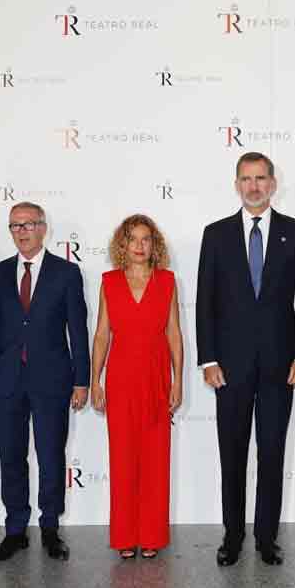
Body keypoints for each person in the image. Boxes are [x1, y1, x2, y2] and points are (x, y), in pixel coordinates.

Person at [196, 151, 295, 566]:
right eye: (246, 179)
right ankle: (232, 536)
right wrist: (208, 359)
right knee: (232, 452)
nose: (254, 186)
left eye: (261, 178)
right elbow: (204, 303)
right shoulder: (215, 234)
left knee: (272, 451)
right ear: (236, 184)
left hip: (280, 366)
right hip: (228, 368)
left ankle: (266, 537)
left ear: (273, 183)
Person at [0, 201, 90, 562]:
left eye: (29, 224)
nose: (22, 232)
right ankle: (15, 529)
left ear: (43, 228)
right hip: (6, 381)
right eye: (15, 226)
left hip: (53, 381)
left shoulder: (67, 273)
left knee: (50, 456)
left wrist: (82, 380)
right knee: (11, 457)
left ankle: (50, 528)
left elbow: (78, 329)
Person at [90, 215, 184, 560]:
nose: (140, 246)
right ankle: (125, 536)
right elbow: (102, 334)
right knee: (123, 457)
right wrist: (94, 380)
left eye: (146, 239)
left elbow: (174, 333)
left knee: (156, 459)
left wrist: (178, 380)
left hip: (157, 376)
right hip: (121, 376)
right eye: (134, 239)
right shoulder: (110, 282)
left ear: (154, 244)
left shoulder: (167, 281)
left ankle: (153, 536)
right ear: (123, 245)